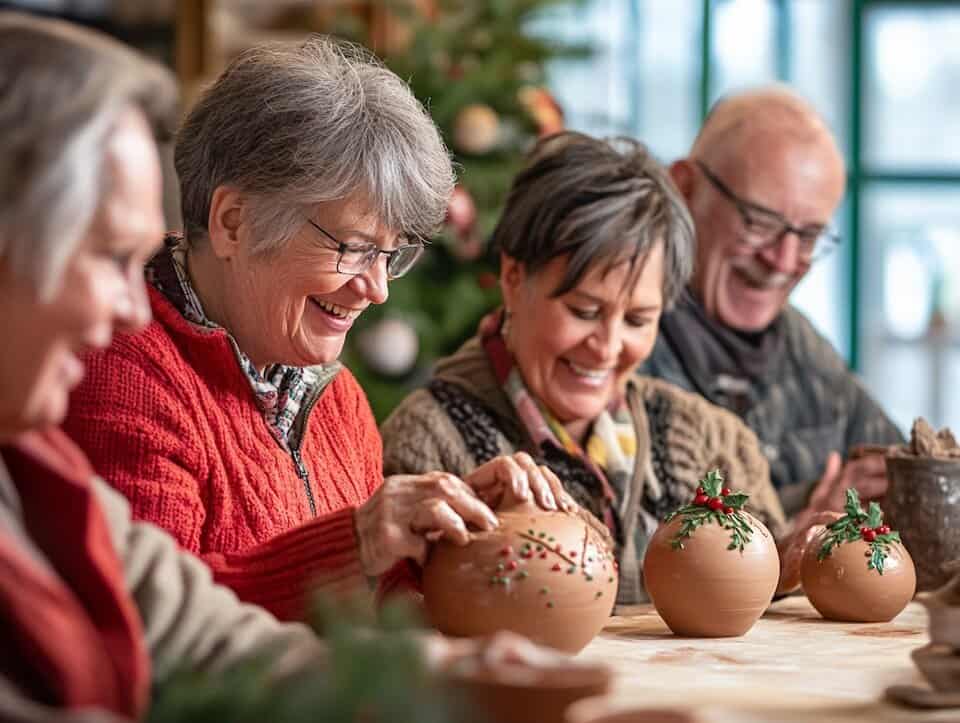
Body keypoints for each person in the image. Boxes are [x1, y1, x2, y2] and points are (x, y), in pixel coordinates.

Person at [0, 14, 571, 721]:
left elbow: (197, 627)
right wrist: (357, 543)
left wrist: (456, 547)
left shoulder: (334, 398)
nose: (379, 288)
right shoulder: (106, 375)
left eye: (390, 255)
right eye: (354, 246)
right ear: (234, 223)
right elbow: (154, 663)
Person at [382, 131, 824, 603]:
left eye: (638, 319)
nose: (608, 347)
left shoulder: (716, 442)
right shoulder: (425, 445)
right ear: (513, 278)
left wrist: (790, 561)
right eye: (585, 312)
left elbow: (761, 611)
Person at [641, 85, 903, 521]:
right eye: (759, 222)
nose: (782, 261)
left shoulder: (805, 348)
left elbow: (899, 465)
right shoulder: (616, 340)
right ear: (684, 188)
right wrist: (792, 534)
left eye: (808, 236)